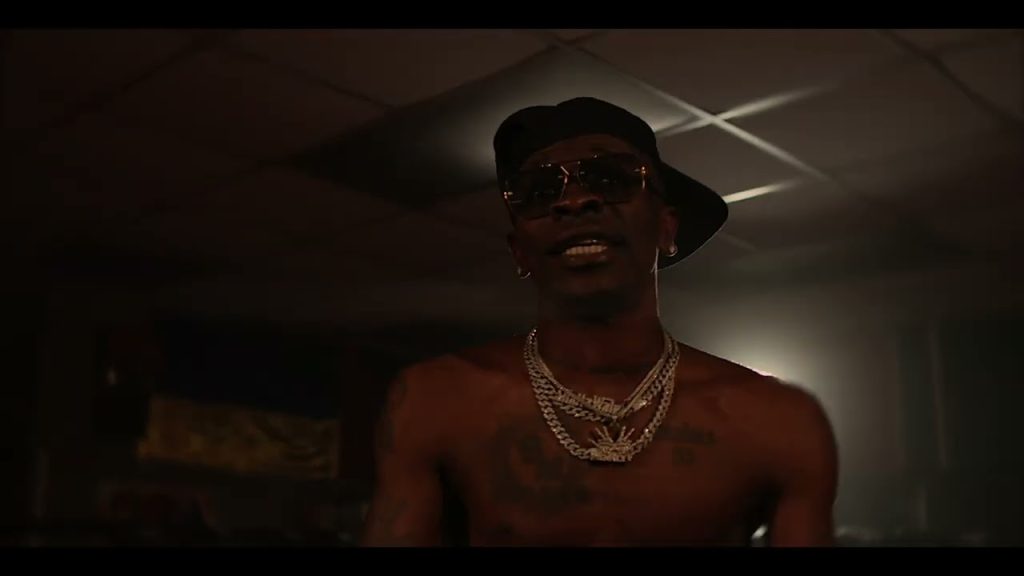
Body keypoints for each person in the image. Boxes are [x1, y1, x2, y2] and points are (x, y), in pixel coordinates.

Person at [360, 97, 838, 547]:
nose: (573, 201)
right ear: (520, 251)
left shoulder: (776, 420)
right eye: (538, 192)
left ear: (667, 227)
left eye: (610, 178)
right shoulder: (434, 401)